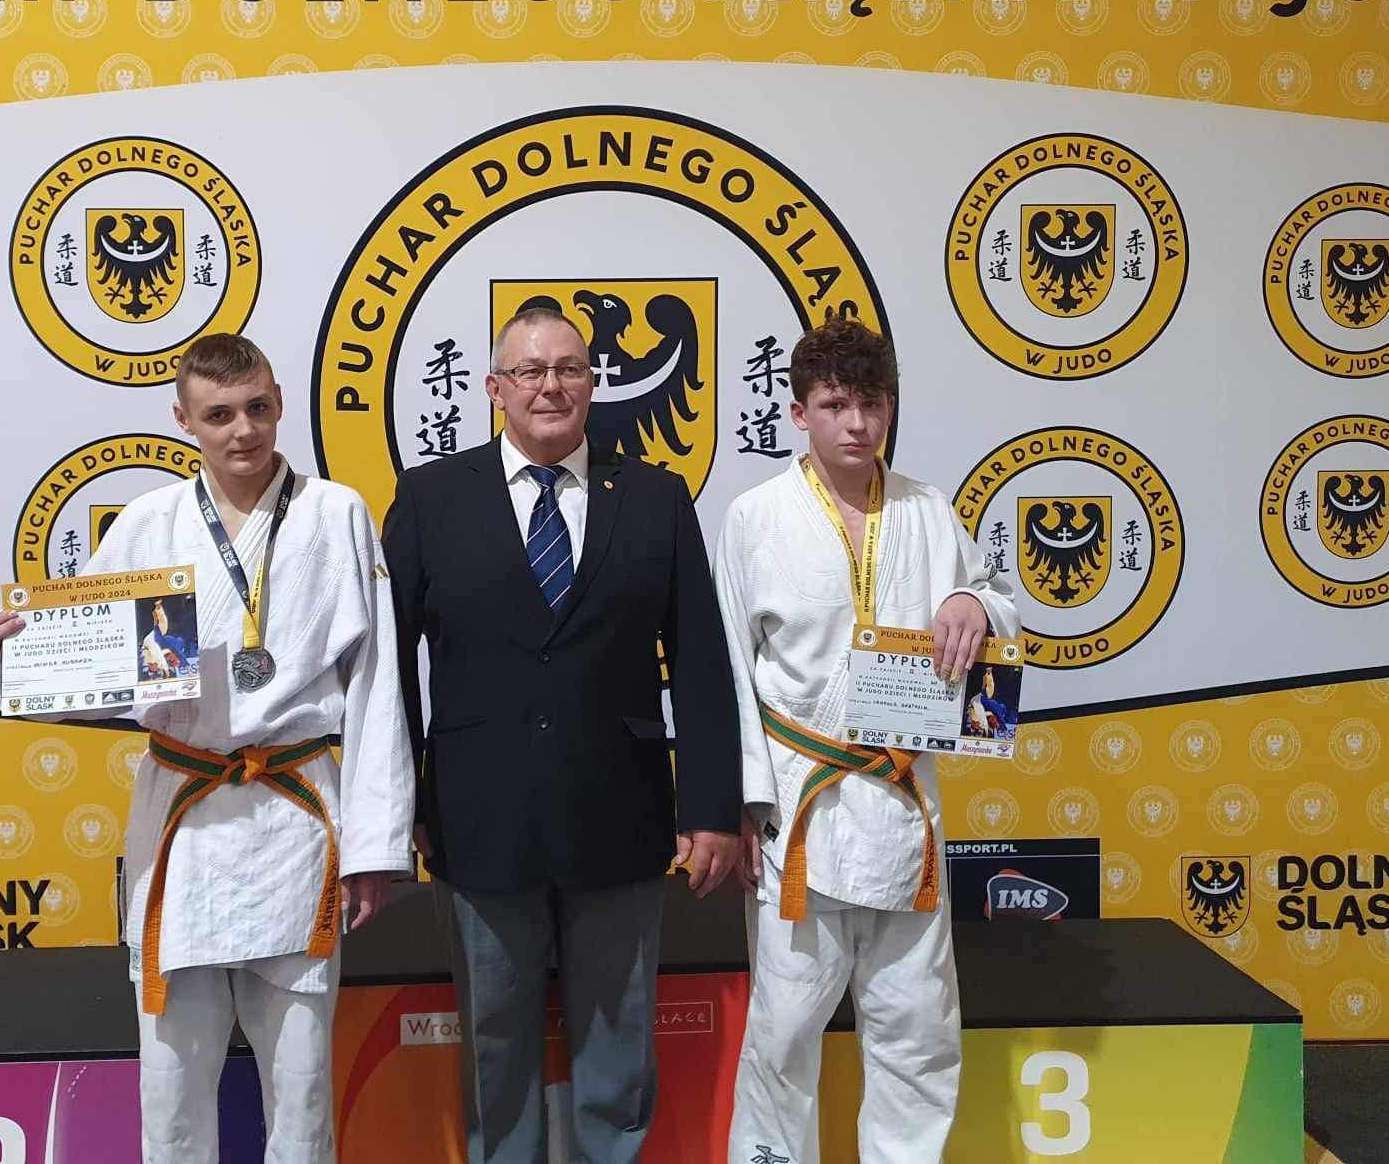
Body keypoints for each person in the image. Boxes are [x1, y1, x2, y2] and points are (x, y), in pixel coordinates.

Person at [0, 333, 413, 1164]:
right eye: (219, 415)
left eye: (257, 408)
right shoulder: (148, 524)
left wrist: (376, 845)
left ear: (278, 402)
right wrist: (15, 660)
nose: (243, 430)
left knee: (302, 1089)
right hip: (183, 822)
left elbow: (377, 684)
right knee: (171, 1087)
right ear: (184, 420)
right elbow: (94, 670)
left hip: (294, 817)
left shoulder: (336, 514)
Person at [383, 304, 743, 1163]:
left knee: (618, 1051)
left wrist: (711, 809)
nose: (551, 386)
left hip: (621, 815)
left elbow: (700, 662)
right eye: (531, 370)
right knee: (493, 1047)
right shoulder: (431, 498)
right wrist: (403, 804)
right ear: (494, 388)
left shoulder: (655, 497)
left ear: (592, 382)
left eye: (570, 369)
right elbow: (388, 669)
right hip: (477, 821)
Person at [717, 317, 1020, 1164]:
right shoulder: (754, 517)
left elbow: (999, 599)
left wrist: (974, 603)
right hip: (798, 811)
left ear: (891, 408)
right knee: (783, 1032)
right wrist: (741, 801)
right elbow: (730, 666)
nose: (857, 424)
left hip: (902, 808)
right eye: (834, 404)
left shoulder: (929, 510)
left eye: (872, 403)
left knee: (917, 1030)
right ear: (799, 413)